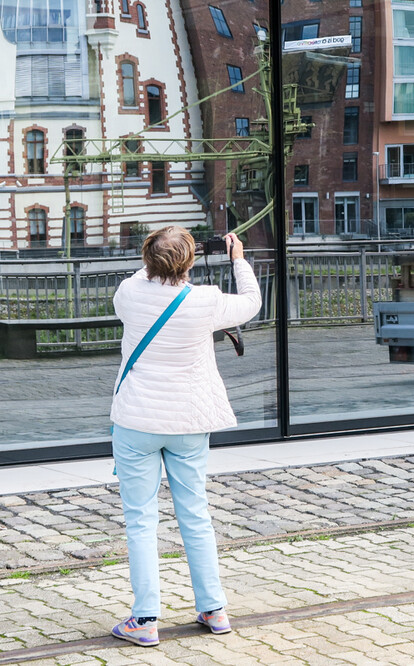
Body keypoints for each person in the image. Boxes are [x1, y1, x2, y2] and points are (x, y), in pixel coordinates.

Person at [109, 225, 261, 647]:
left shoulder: (129, 293)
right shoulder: (206, 301)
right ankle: (214, 610)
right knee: (195, 513)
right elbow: (252, 302)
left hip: (137, 420)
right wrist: (236, 258)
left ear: (147, 260)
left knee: (140, 519)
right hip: (189, 423)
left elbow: (144, 278)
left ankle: (145, 620)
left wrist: (158, 261)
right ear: (190, 262)